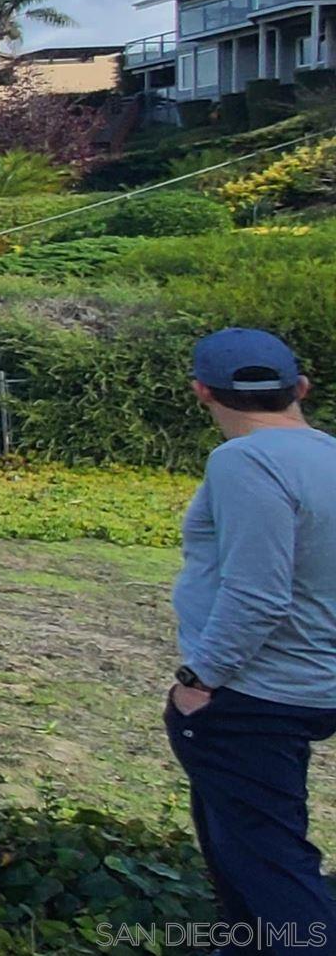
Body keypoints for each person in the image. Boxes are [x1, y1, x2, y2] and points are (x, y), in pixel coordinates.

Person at [170, 327, 336, 946]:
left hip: (253, 694)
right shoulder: (328, 455)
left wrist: (199, 680)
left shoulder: (244, 461)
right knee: (250, 856)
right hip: (312, 683)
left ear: (200, 392)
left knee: (271, 870)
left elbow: (258, 593)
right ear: (299, 387)